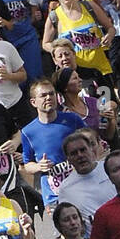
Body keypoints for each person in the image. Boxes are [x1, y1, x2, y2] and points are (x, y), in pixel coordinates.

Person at [20, 78, 85, 215]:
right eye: (43, 95)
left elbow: (92, 145)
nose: (48, 97)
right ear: (33, 102)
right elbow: (28, 165)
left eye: (51, 94)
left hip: (80, 183)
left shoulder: (72, 120)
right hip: (53, 192)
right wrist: (39, 166)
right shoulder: (28, 131)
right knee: (65, 231)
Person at [58, 129, 117, 231]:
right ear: (68, 159)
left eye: (83, 150)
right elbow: (66, 226)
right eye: (74, 153)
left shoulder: (112, 168)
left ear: (91, 149)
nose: (80, 155)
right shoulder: (66, 189)